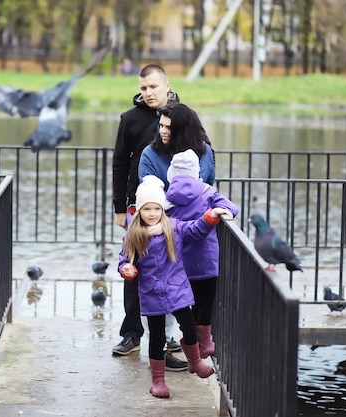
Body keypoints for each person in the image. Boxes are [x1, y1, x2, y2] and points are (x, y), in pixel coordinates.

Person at [118, 176, 233, 398]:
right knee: (158, 338)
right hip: (152, 293)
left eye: (156, 209)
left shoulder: (174, 227)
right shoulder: (134, 235)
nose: (152, 214)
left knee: (189, 328)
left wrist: (211, 216)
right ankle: (158, 381)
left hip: (177, 288)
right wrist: (127, 270)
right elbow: (124, 260)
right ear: (140, 211)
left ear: (162, 209)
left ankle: (195, 361)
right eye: (147, 209)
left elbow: (196, 229)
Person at [111, 64, 184, 369]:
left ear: (167, 85)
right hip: (138, 208)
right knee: (133, 268)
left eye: (153, 86)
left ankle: (169, 337)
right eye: (143, 88)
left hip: (175, 208)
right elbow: (118, 163)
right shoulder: (130, 119)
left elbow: (201, 151)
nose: (148, 93)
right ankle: (131, 334)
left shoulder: (181, 115)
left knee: (172, 270)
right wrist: (119, 207)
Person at [165, 149, 239, 358]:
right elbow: (231, 208)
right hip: (205, 259)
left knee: (186, 300)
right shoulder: (207, 192)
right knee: (205, 300)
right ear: (196, 170)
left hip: (179, 259)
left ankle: (190, 341)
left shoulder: (168, 196)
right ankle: (204, 341)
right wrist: (223, 211)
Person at [138, 102, 215, 190]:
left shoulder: (205, 151)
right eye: (161, 126)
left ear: (183, 130)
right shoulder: (149, 155)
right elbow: (150, 193)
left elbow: (210, 187)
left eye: (168, 127)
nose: (162, 131)